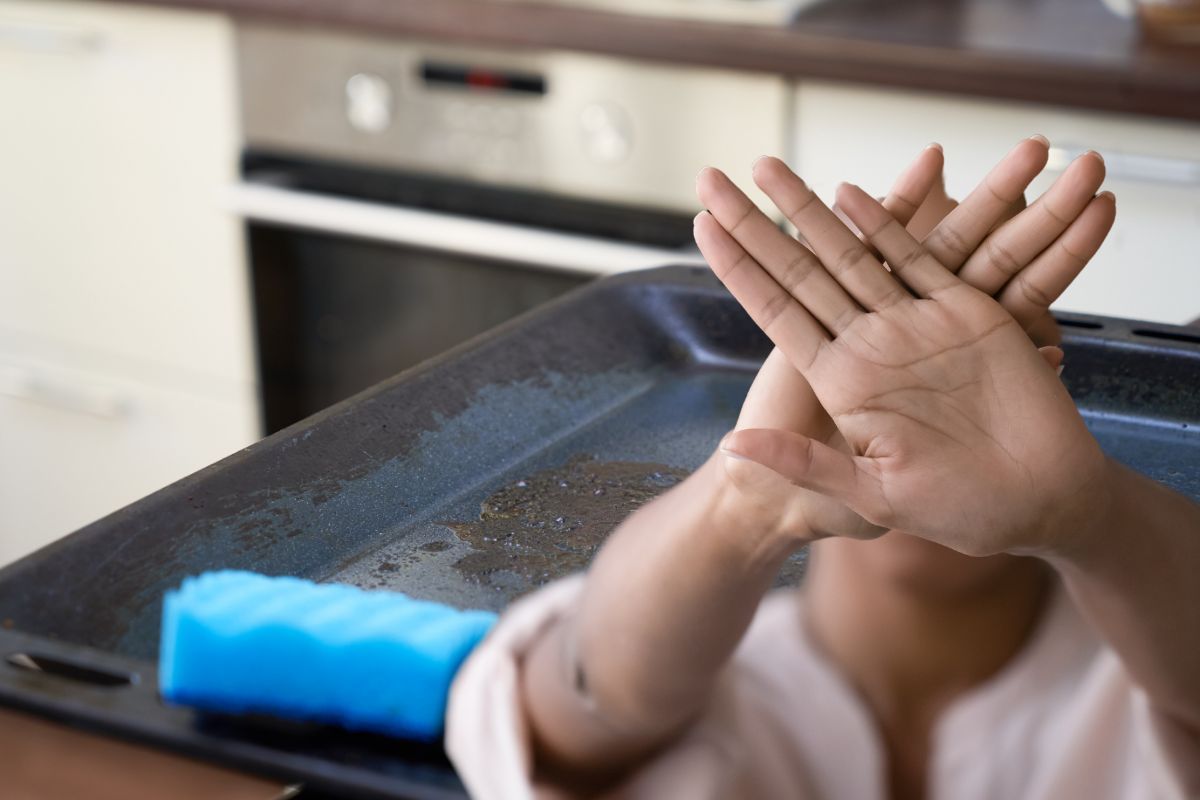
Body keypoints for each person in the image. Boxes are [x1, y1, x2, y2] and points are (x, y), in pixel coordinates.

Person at [446, 138, 1200, 799]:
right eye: (864, 325)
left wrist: (1093, 516)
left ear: (1050, 379)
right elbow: (586, 707)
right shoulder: (722, 669)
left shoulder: (1136, 676)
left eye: (992, 332)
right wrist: (745, 503)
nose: (912, 419)